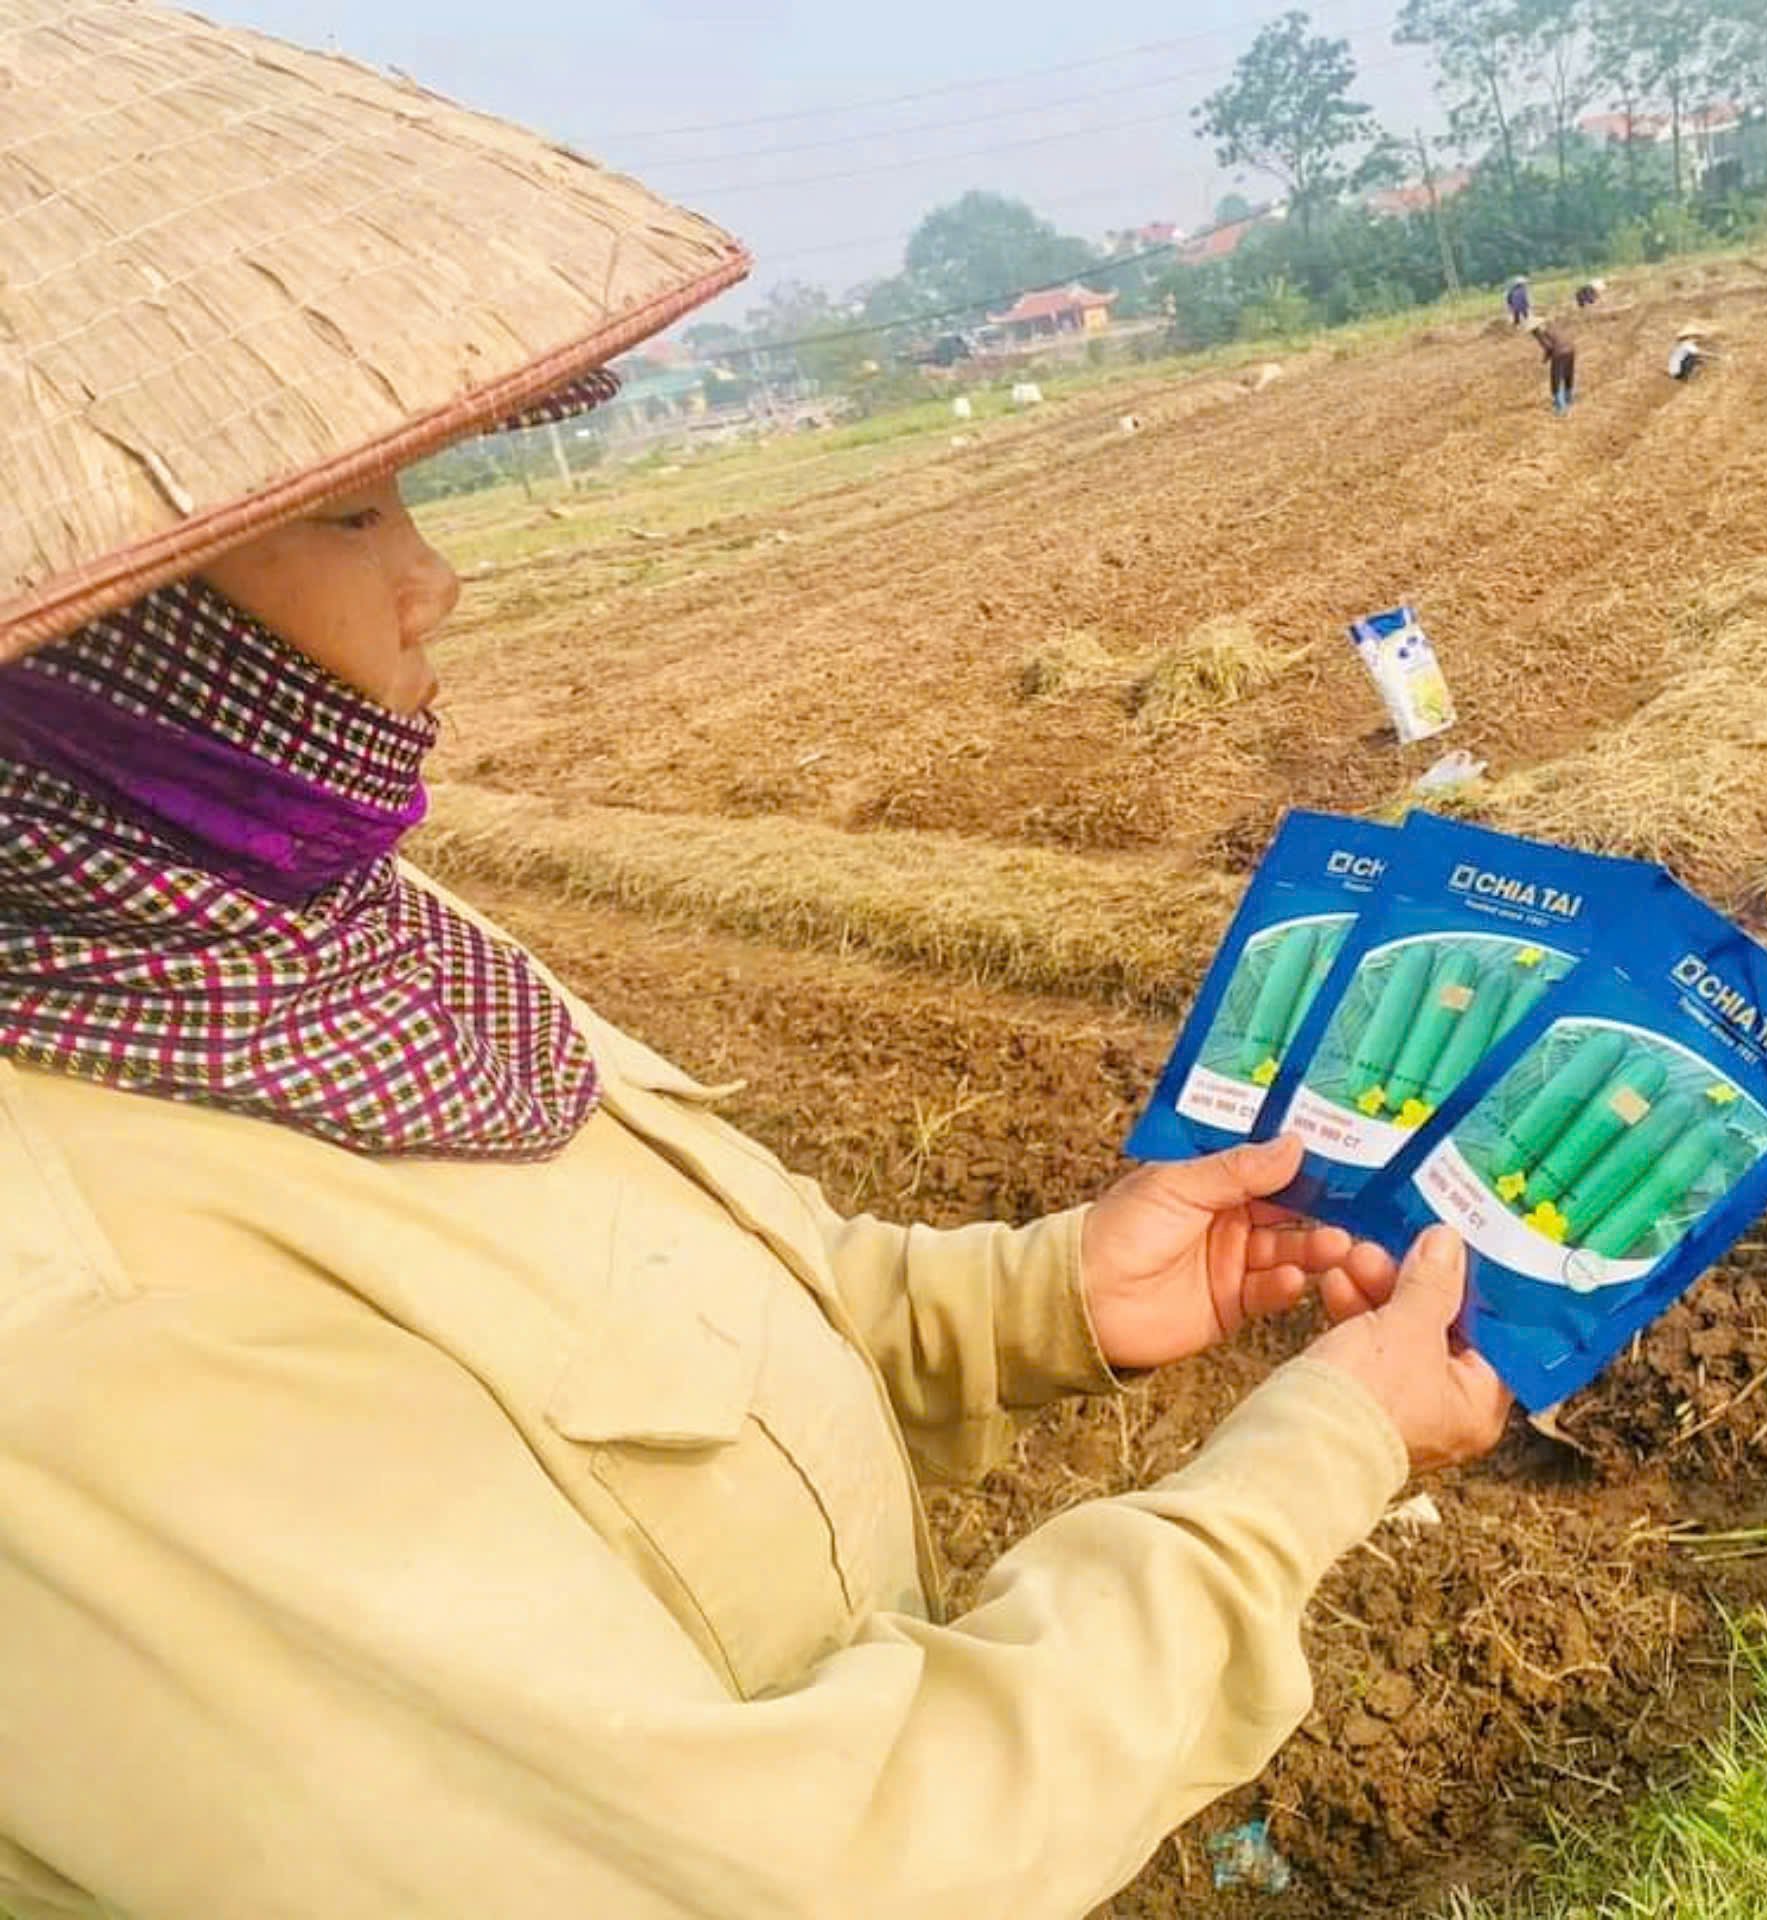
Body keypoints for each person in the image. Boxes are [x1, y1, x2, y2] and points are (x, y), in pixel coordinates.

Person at [0, 10, 1512, 1920]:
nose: (435, 575)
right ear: (98, 648)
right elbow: (800, 1872)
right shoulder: (69, 1341)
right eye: (351, 510)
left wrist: (1055, 1295)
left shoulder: (322, 943)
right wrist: (1328, 1450)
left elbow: (705, 1329)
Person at [1533, 320, 1579, 416]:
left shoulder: (1538, 333)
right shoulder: (1553, 327)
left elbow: (1549, 347)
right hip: (1571, 349)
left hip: (1559, 352)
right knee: (1568, 374)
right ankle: (1569, 398)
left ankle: (1561, 407)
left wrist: (1545, 358)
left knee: (1556, 378)